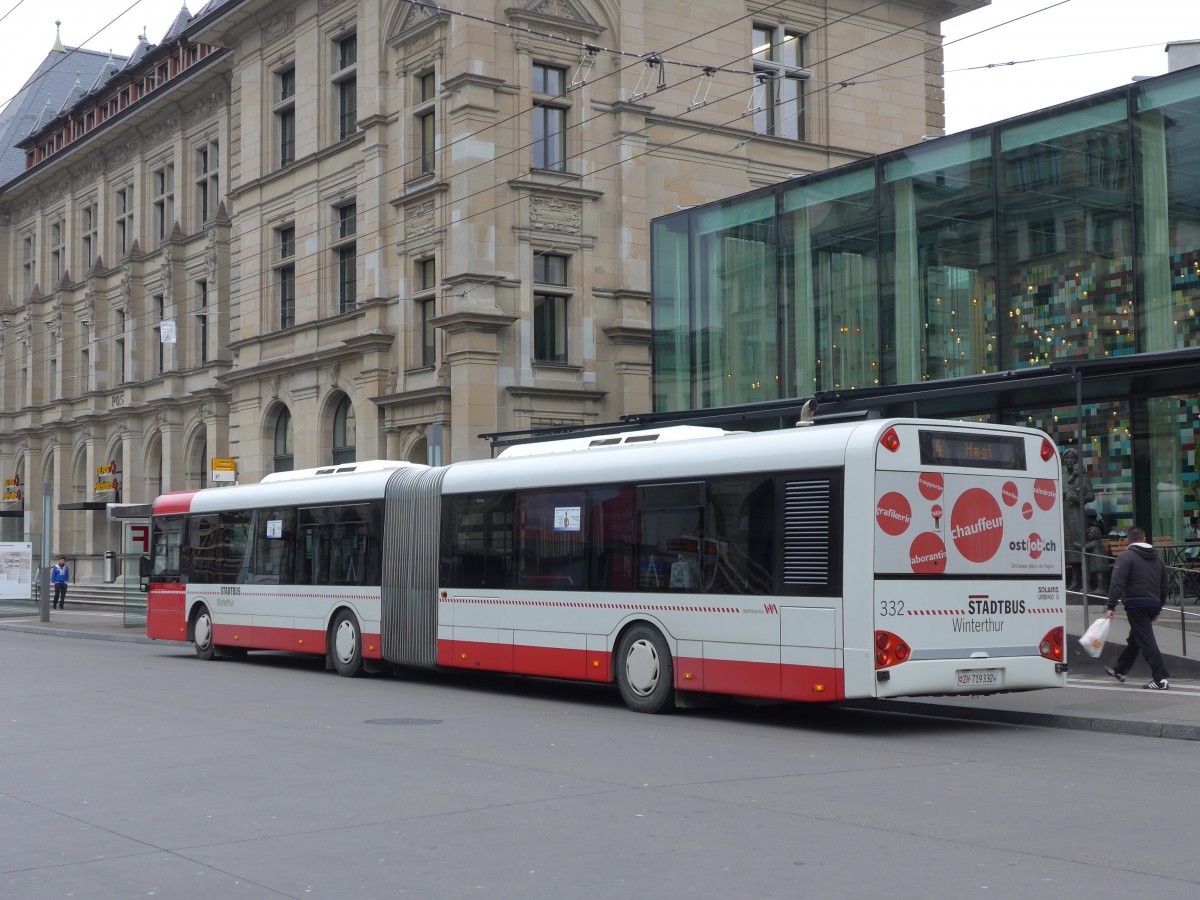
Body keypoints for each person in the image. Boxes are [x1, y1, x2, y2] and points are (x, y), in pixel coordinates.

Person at [1104, 526, 1170, 690]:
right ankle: (1120, 670)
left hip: (1135, 604)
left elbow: (1117, 583)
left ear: (1128, 540)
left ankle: (1160, 679)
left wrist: (1111, 605)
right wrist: (1158, 607)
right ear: (1145, 539)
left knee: (1146, 641)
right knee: (1136, 638)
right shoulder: (1158, 559)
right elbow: (1164, 586)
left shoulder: (1126, 557)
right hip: (1153, 603)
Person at [1062, 447, 1095, 591]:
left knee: (1080, 547)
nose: (1069, 461)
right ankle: (1074, 581)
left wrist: (1077, 498)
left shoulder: (1083, 477)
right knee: (1070, 550)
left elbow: (1091, 496)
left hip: (1077, 516)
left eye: (1072, 458)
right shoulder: (1062, 477)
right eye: (1066, 459)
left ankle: (1086, 583)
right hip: (1065, 516)